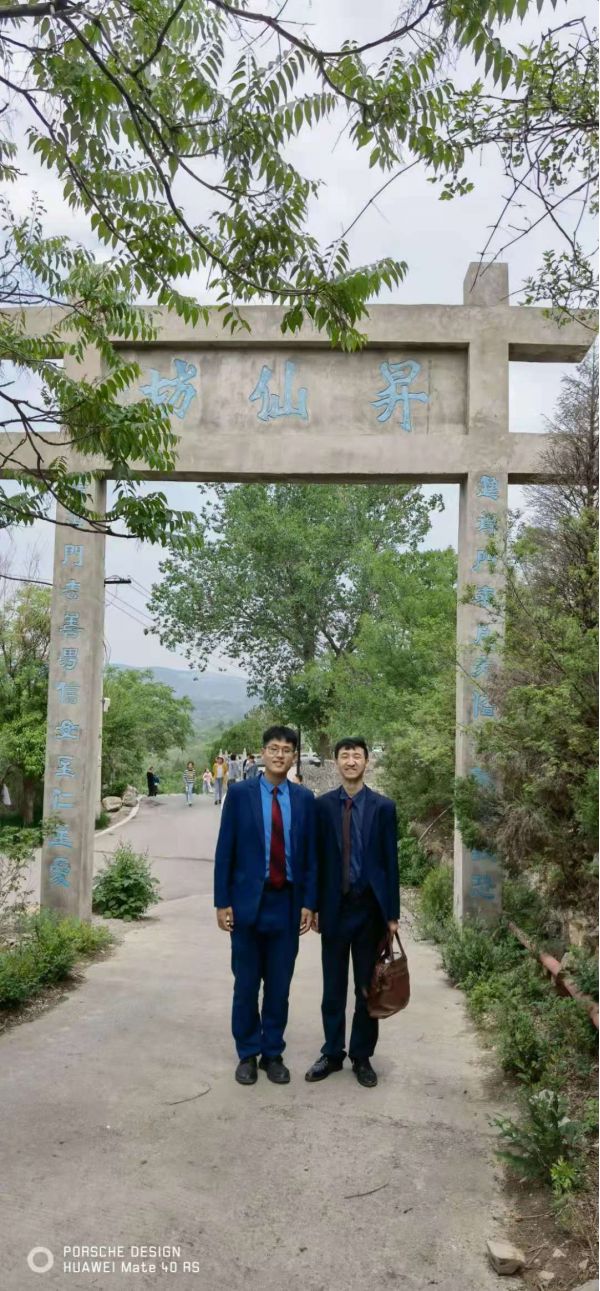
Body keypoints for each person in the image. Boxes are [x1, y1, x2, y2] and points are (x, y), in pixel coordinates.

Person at [214, 724, 317, 1086]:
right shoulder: (239, 794)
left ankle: (272, 1052)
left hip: (286, 903)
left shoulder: (304, 799)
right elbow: (225, 850)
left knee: (278, 986)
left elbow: (310, 857)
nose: (279, 755)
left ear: (294, 757)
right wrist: (222, 902)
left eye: (286, 750)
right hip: (246, 905)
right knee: (245, 985)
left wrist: (309, 902)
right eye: (274, 748)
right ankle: (247, 1053)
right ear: (262, 753)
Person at [305, 738, 399, 1089]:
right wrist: (312, 905)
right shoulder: (322, 807)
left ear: (366, 762)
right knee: (332, 988)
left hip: (369, 911)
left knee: (366, 988)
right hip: (334, 909)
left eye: (356, 756)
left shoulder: (383, 807)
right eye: (344, 756)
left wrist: (392, 914)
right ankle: (332, 1053)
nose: (350, 761)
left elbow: (390, 863)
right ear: (336, 762)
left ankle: (361, 1056)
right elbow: (315, 860)